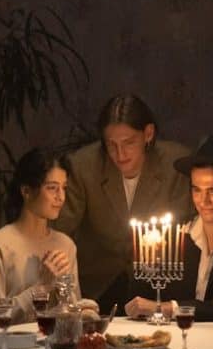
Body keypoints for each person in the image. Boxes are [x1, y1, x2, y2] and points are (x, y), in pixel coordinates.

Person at [54, 94, 193, 312]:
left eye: (129, 143)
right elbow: (61, 229)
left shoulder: (175, 164)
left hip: (160, 286)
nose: (120, 154)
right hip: (98, 286)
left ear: (148, 134)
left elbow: (186, 231)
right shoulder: (83, 166)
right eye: (112, 145)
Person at [124, 136, 213, 321]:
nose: (204, 201)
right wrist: (147, 260)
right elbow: (140, 301)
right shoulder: (169, 237)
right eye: (197, 190)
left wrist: (171, 308)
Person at [0, 148, 80, 331]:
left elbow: (72, 316)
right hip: (9, 347)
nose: (61, 197)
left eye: (64, 188)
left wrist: (73, 301)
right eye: (52, 188)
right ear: (26, 191)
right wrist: (41, 288)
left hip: (56, 345)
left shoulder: (65, 245)